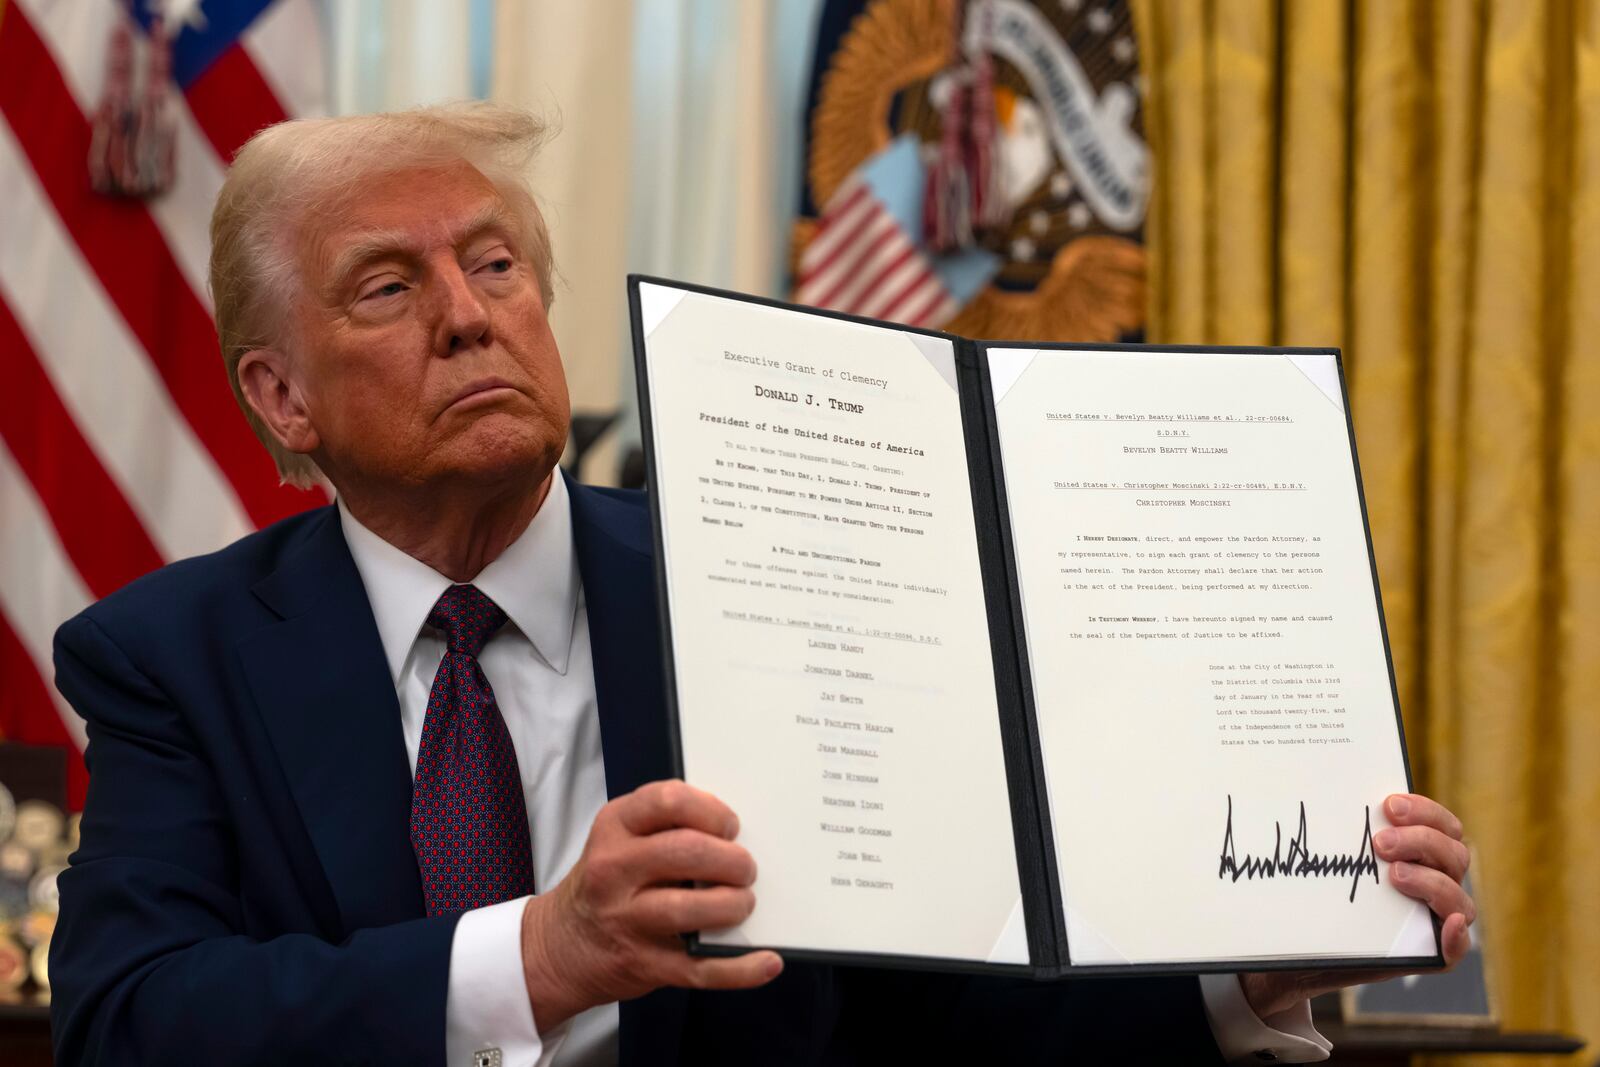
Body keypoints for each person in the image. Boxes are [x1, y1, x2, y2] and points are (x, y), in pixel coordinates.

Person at [48, 103, 1476, 1066]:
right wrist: (535, 957)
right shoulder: (177, 654)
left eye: (495, 264)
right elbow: (125, 1016)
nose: (473, 314)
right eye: (389, 288)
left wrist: (1247, 973)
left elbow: (940, 1002)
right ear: (281, 397)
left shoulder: (787, 576)